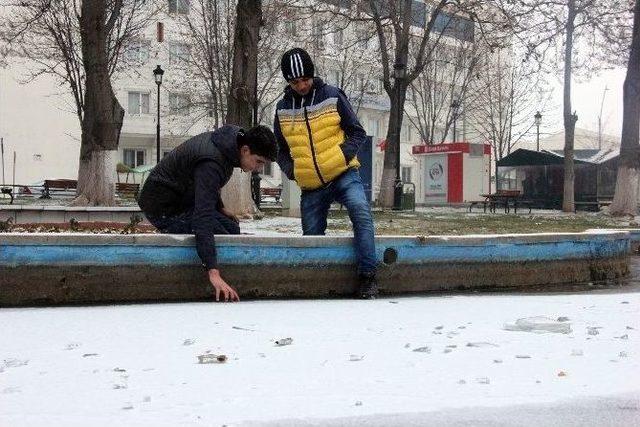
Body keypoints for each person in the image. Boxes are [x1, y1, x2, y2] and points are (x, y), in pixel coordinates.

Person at [274, 47, 378, 299]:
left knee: (361, 214)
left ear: (312, 74)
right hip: (310, 186)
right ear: (289, 81)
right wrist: (294, 172)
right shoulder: (282, 108)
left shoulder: (332, 96)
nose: (301, 85)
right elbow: (280, 149)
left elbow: (357, 132)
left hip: (344, 174)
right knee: (311, 238)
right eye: (295, 81)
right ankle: (316, 283)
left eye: (305, 79)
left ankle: (368, 278)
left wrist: (342, 156)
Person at [138, 125, 277, 302]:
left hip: (182, 198)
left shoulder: (228, 144)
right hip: (163, 208)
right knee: (220, 230)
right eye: (258, 162)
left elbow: (208, 186)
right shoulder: (213, 160)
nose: (258, 168)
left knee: (232, 227)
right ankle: (205, 264)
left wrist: (220, 207)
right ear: (245, 150)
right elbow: (202, 216)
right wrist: (213, 271)